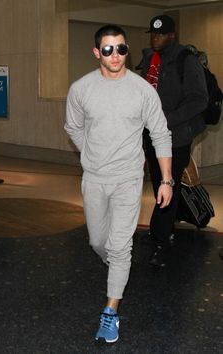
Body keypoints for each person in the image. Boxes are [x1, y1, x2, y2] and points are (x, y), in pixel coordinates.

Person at [65, 24, 173, 343]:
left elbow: (160, 134)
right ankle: (118, 265)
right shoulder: (81, 89)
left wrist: (166, 180)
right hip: (95, 179)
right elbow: (73, 127)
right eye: (108, 50)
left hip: (128, 178)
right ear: (97, 52)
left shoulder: (142, 90)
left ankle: (111, 311)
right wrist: (91, 151)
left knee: (120, 245)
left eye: (121, 48)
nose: (116, 55)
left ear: (127, 49)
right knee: (99, 242)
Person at [138, 15, 209, 268]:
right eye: (153, 34)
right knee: (158, 183)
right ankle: (162, 228)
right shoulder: (148, 59)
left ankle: (161, 239)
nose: (155, 38)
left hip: (174, 136)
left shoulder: (186, 60)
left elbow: (199, 99)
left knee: (169, 184)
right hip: (151, 135)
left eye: (161, 34)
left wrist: (166, 120)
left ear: (172, 35)